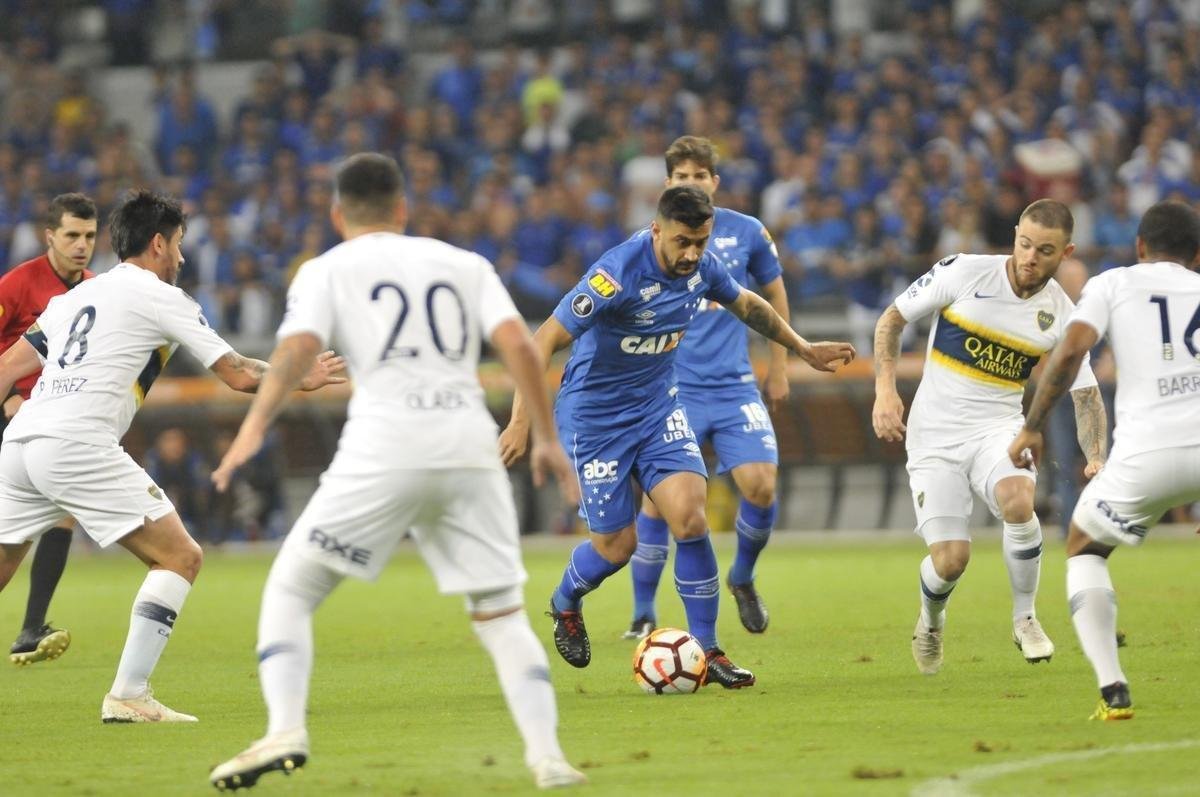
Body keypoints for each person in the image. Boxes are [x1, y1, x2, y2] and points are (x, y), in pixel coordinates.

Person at [208, 153, 586, 791]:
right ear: (403, 208)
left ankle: (284, 729)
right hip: (469, 445)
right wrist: (544, 437)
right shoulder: (463, 263)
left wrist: (252, 428)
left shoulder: (324, 269)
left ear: (336, 213)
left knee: (293, 591)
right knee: (499, 612)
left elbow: (297, 350)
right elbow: (520, 343)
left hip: (383, 446)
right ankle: (549, 759)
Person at [0, 189, 345, 723]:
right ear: (158, 243)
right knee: (180, 557)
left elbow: (5, 369)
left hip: (21, 443)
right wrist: (300, 377)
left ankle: (130, 695)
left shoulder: (70, 300)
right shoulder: (162, 297)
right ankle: (129, 695)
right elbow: (234, 372)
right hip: (76, 442)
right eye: (180, 244)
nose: (182, 257)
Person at [500, 186, 855, 688]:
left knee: (689, 517)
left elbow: (748, 304)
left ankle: (708, 651)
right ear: (657, 231)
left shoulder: (703, 268)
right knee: (616, 546)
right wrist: (521, 421)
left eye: (701, 242)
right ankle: (565, 602)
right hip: (595, 420)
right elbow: (542, 343)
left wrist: (801, 348)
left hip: (658, 409)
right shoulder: (614, 275)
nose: (692, 253)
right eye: (683, 242)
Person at [872, 199, 1108, 676]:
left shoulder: (1064, 315)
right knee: (951, 560)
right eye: (1024, 244)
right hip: (934, 434)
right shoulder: (964, 272)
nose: (1029, 258)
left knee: (1018, 501)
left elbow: (1086, 394)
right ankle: (931, 620)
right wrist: (884, 392)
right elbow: (892, 319)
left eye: (1045, 250)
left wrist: (1097, 458)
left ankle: (1025, 618)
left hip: (997, 429)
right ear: (1015, 234)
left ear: (1066, 252)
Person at [1007, 200, 1200, 720]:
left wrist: (1032, 425)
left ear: (1140, 247)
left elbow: (1070, 353)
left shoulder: (1113, 283)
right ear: (1196, 255)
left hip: (1148, 452)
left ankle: (1112, 687)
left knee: (1085, 546)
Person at [624, 136, 791, 640]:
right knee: (660, 501)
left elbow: (774, 295)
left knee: (761, 485)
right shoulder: (649, 240)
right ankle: (643, 611)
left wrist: (778, 367)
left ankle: (742, 575)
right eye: (682, 177)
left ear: (714, 183)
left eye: (701, 176)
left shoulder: (748, 232)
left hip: (735, 386)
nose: (692, 183)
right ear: (668, 184)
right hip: (671, 391)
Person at [0, 193, 97, 665]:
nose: (82, 245)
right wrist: (8, 398)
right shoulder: (17, 286)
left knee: (60, 516)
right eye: (72, 235)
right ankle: (30, 627)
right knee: (11, 543)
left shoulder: (97, 290)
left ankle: (30, 628)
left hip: (61, 426)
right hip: (15, 420)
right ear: (50, 237)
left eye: (90, 236)